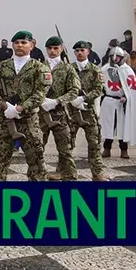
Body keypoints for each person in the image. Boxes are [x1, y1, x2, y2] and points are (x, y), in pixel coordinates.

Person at [0, 31, 49, 182]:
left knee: (36, 161)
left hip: (28, 120)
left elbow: (40, 93)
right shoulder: (2, 66)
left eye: (24, 42)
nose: (20, 45)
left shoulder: (40, 68)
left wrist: (18, 109)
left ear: (32, 45)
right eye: (17, 43)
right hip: (5, 119)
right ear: (12, 45)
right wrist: (4, 106)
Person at [40, 36, 79, 181]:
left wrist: (57, 101)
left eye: (56, 48)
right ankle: (38, 177)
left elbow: (74, 90)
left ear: (61, 49)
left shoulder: (68, 68)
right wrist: (40, 100)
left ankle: (69, 177)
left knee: (65, 150)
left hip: (60, 114)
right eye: (50, 48)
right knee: (37, 149)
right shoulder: (38, 67)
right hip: (41, 114)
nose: (52, 51)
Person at [70, 41, 108, 181]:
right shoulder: (69, 68)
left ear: (88, 52)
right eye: (77, 50)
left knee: (94, 143)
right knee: (67, 143)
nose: (79, 52)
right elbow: (63, 89)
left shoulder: (95, 70)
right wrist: (73, 100)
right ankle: (62, 170)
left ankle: (97, 173)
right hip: (72, 112)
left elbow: (98, 90)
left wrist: (84, 98)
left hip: (89, 111)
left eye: (82, 50)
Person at [100, 47, 136, 159]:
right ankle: (107, 148)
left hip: (122, 103)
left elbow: (132, 88)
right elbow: (100, 85)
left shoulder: (127, 70)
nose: (115, 58)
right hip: (109, 100)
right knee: (109, 126)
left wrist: (126, 97)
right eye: (113, 56)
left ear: (122, 57)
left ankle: (124, 149)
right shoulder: (104, 69)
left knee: (122, 126)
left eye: (117, 56)